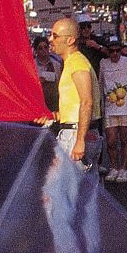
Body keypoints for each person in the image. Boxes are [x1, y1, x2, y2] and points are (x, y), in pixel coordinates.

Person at [51, 17, 101, 170]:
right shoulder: (71, 63)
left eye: (55, 36)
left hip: (75, 134)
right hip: (75, 132)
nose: (50, 39)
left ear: (70, 40)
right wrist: (55, 116)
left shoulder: (77, 63)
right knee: (81, 190)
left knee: (57, 190)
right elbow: (76, 104)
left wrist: (80, 141)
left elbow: (86, 102)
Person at [99, 41, 127, 182]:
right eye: (112, 51)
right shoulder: (103, 63)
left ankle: (124, 169)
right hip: (110, 108)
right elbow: (100, 83)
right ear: (108, 52)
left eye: (117, 51)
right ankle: (114, 167)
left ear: (121, 51)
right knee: (111, 141)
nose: (115, 53)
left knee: (125, 139)